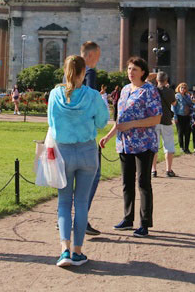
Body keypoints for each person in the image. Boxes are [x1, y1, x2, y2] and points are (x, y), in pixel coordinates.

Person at [47, 55, 109, 267]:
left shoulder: (55, 94)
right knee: (81, 202)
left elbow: (51, 123)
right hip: (87, 152)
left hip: (63, 152)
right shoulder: (93, 96)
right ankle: (78, 252)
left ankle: (64, 250)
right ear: (84, 73)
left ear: (64, 71)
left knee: (64, 202)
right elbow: (102, 122)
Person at [100, 56, 161, 238]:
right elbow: (121, 120)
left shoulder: (149, 91)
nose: (130, 72)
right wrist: (109, 136)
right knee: (127, 183)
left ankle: (144, 223)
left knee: (143, 183)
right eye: (128, 69)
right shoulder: (125, 90)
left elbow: (156, 118)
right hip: (125, 143)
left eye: (134, 69)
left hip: (144, 143)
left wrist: (133, 124)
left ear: (143, 72)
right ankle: (127, 218)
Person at [80, 41, 105, 237]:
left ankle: (61, 218)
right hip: (86, 135)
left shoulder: (69, 73)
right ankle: (81, 219)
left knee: (69, 179)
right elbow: (92, 103)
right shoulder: (89, 73)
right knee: (92, 176)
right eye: (97, 56)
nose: (99, 59)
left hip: (66, 136)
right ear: (90, 55)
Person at [151, 72, 178, 178]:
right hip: (166, 120)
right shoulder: (170, 91)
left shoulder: (153, 90)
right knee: (169, 145)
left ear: (157, 80)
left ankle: (153, 170)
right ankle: (168, 169)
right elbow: (174, 103)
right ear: (166, 81)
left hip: (154, 120)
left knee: (154, 146)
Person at [173, 83, 193, 154]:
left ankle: (186, 148)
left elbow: (191, 104)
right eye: (181, 88)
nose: (183, 89)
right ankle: (181, 147)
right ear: (179, 88)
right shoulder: (176, 96)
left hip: (187, 116)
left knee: (187, 132)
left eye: (184, 88)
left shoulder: (188, 96)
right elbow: (173, 107)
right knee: (180, 132)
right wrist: (174, 117)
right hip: (179, 115)